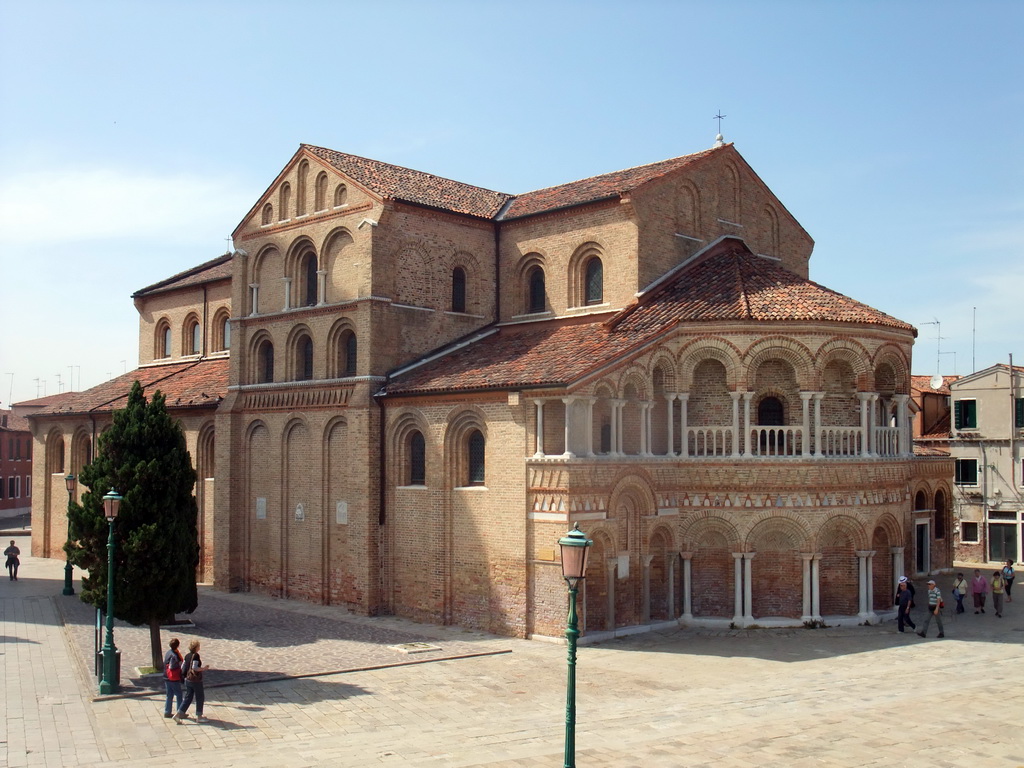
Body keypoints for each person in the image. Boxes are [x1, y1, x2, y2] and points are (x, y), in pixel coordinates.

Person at [173, 640, 210, 724]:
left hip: (187, 679)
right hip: (195, 680)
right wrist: (204, 668)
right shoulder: (196, 655)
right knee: (200, 697)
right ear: (196, 647)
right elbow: (195, 667)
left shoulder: (187, 656)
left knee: (188, 697)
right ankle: (199, 716)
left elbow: (183, 667)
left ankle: (178, 714)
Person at [163, 638, 184, 718]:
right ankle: (180, 712)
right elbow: (172, 666)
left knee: (169, 694)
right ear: (178, 645)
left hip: (166, 676)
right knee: (179, 694)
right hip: (173, 677)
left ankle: (167, 711)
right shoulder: (174, 655)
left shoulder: (168, 652)